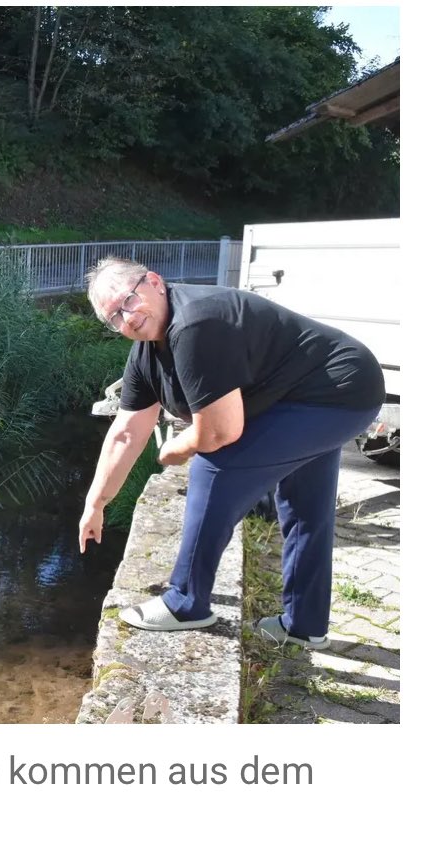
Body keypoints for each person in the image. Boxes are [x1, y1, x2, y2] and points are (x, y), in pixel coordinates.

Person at [77, 257, 383, 649]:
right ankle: (304, 626)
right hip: (309, 395)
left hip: (338, 390)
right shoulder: (147, 354)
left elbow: (220, 432)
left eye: (128, 302)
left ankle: (186, 602)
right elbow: (125, 433)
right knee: (303, 505)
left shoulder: (194, 324)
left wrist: (178, 447)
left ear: (154, 281)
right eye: (113, 318)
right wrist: (96, 503)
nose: (127, 320)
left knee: (214, 466)